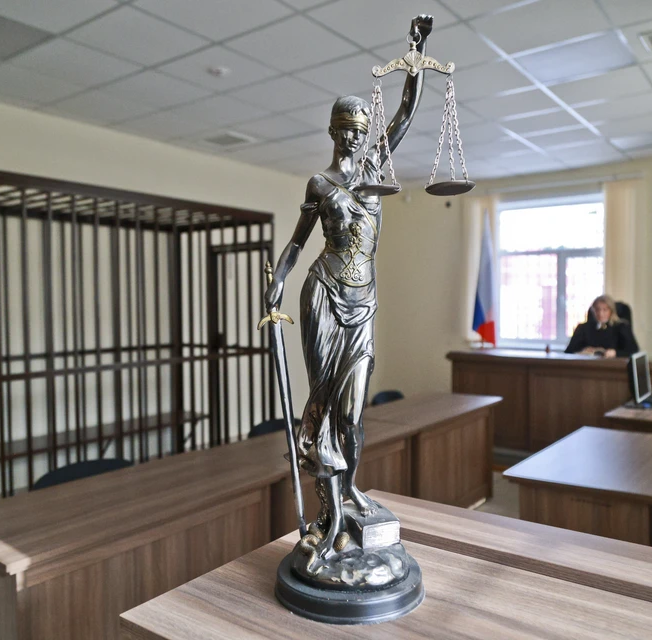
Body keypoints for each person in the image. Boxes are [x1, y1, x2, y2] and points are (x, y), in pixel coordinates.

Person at [263, 15, 434, 563]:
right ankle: (328, 510)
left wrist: (416, 53)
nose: (357, 138)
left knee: (353, 413)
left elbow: (405, 111)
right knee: (322, 402)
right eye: (348, 130)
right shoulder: (320, 184)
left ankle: (349, 490)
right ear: (335, 132)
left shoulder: (376, 169)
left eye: (362, 131)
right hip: (323, 294)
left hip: (363, 303)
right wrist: (277, 283)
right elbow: (297, 244)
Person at [565, 294, 639, 358]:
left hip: (612, 366)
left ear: (611, 311)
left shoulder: (622, 327)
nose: (600, 313)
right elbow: (568, 352)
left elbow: (633, 351)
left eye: (605, 310)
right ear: (593, 310)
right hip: (587, 366)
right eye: (597, 309)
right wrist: (582, 351)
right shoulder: (582, 328)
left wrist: (615, 353)